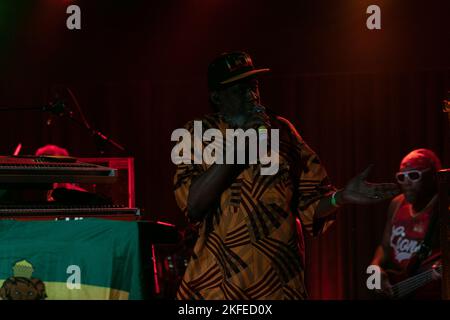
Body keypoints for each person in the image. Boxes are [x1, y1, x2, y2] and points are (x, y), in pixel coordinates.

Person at [173, 51, 399, 300]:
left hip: (279, 286)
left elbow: (311, 204)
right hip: (216, 288)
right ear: (217, 97)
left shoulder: (282, 131)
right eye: (239, 90)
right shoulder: (196, 133)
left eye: (253, 86)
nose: (251, 96)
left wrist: (341, 197)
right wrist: (242, 146)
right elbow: (193, 204)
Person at [370, 148, 442, 299]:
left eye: (414, 175)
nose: (406, 183)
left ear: (433, 176)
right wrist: (375, 268)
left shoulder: (442, 209)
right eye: (401, 177)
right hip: (397, 288)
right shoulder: (397, 204)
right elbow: (384, 246)